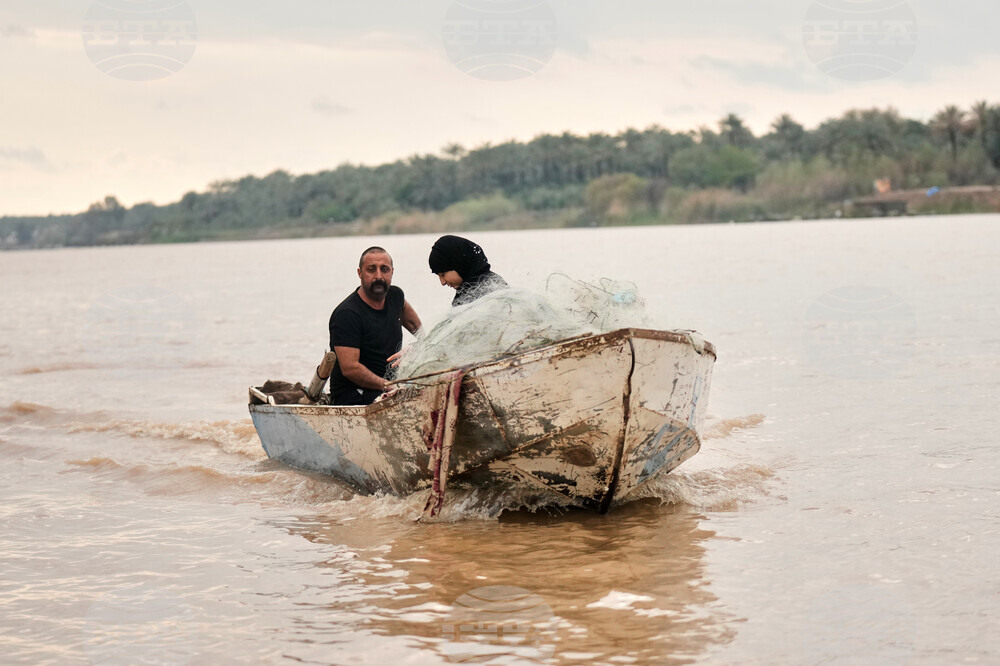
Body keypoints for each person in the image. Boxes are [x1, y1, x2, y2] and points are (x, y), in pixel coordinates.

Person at [328, 246, 421, 405]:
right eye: (371, 270)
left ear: (392, 272)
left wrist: (421, 348)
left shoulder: (395, 296)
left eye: (384, 269)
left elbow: (419, 330)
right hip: (354, 395)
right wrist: (389, 386)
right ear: (360, 273)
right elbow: (351, 369)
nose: (378, 276)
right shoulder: (347, 314)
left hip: (389, 387)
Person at [427, 235, 507, 306]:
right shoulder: (494, 282)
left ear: (458, 264)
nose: (442, 282)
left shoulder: (474, 297)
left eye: (443, 274)